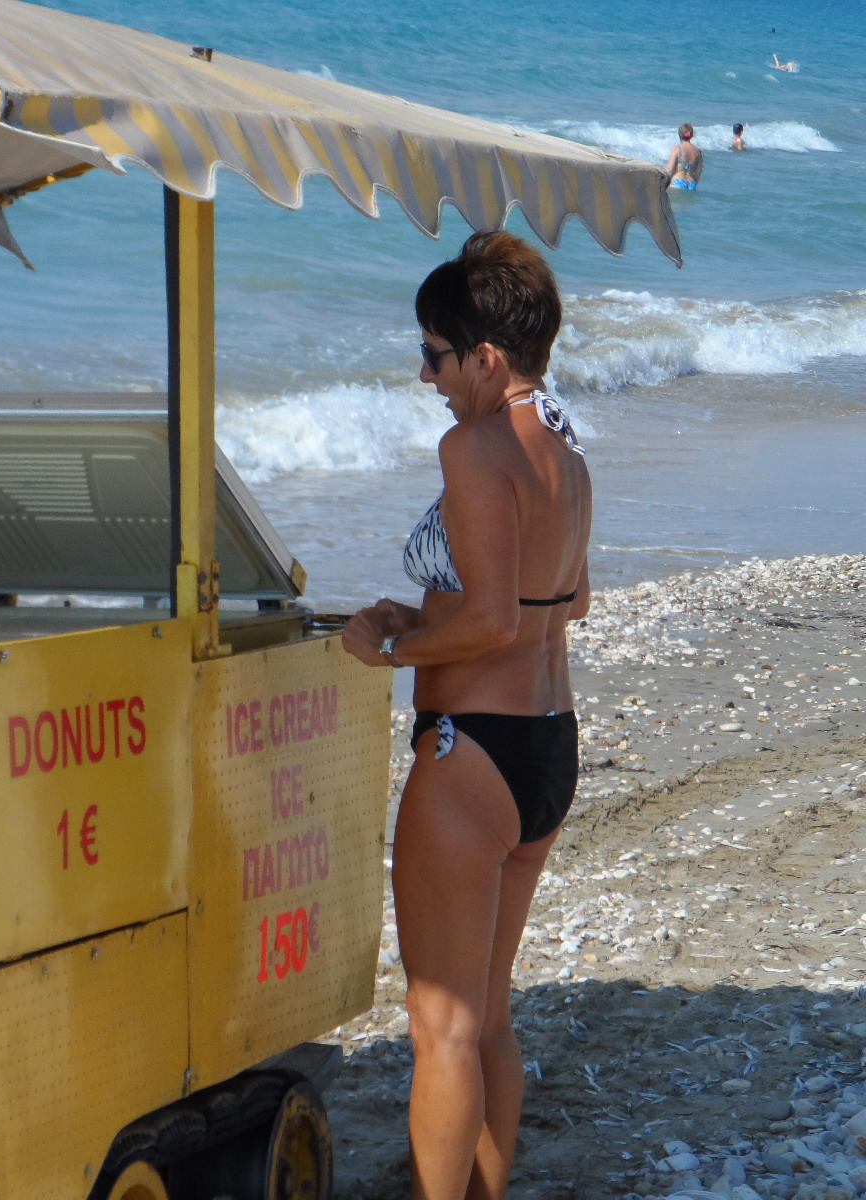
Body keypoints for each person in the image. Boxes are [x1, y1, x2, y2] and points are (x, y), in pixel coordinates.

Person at [342, 231, 590, 1200]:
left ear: (484, 357)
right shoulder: (566, 457)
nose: (425, 375)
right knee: (485, 1016)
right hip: (545, 753)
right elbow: (558, 604)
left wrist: (392, 648)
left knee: (438, 1026)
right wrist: (433, 613)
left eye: (435, 355)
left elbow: (490, 620)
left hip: (470, 757)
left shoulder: (473, 446)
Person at [665, 123, 703, 190]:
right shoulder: (698, 152)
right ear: (691, 135)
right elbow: (698, 173)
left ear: (679, 134)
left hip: (677, 183)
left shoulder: (677, 149)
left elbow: (669, 170)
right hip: (691, 185)